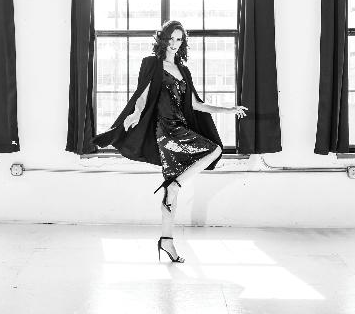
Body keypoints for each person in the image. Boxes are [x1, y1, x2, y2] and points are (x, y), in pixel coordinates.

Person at [93, 20, 247, 263]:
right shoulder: (152, 63)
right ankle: (175, 186)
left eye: (179, 39)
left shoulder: (184, 71)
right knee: (214, 150)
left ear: (182, 42)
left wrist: (228, 110)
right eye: (171, 38)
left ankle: (167, 241)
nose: (175, 43)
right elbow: (142, 95)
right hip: (165, 130)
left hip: (180, 127)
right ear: (163, 40)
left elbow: (196, 105)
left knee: (173, 189)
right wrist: (135, 114)